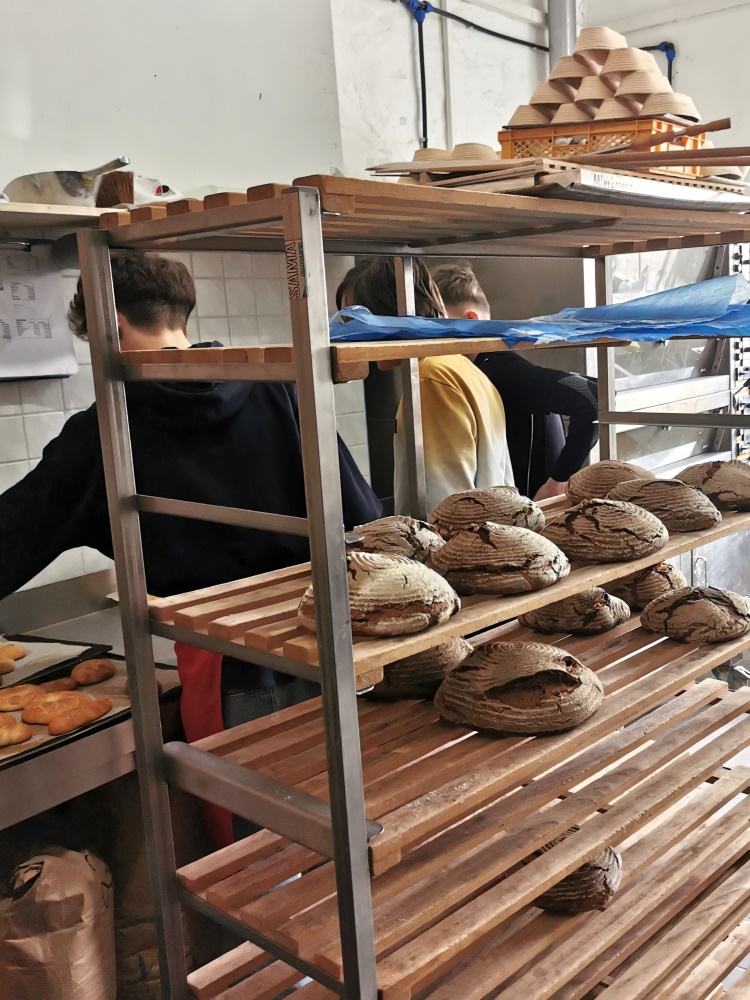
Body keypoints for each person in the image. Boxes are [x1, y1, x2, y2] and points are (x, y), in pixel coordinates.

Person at [0, 249, 382, 844]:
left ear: (111, 325)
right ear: (180, 312)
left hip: (220, 654)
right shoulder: (275, 386)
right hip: (322, 633)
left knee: (257, 844)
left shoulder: (105, 429)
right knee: (340, 813)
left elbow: (15, 534)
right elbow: (360, 512)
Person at [347, 257, 514, 515]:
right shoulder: (461, 366)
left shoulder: (429, 378)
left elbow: (443, 506)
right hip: (489, 538)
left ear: (386, 314)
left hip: (456, 549)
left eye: (354, 322)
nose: (348, 340)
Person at [432, 261, 598, 501]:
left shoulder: (500, 369)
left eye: (438, 325)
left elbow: (591, 396)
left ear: (471, 318)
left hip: (531, 508)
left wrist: (558, 483)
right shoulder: (481, 368)